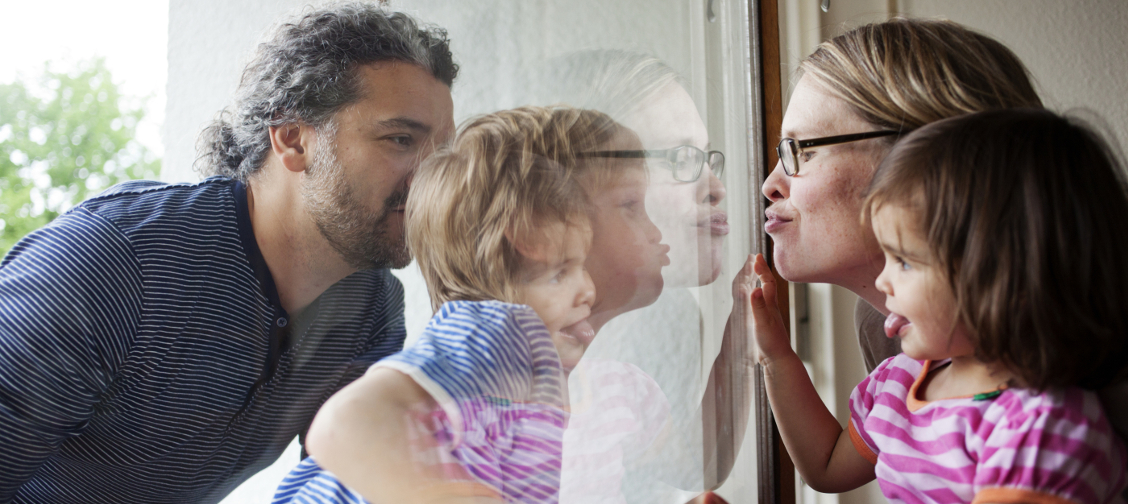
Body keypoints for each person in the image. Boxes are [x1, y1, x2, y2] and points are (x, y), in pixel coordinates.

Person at [0, 4, 455, 503]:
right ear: (293, 140)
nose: (433, 177)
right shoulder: (113, 262)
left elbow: (348, 487)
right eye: (400, 139)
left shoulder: (371, 307)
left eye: (442, 152)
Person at [760, 18, 1128, 442]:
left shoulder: (1092, 377)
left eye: (798, 151)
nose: (770, 184)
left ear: (919, 156)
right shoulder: (887, 327)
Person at [750, 108, 1128, 503]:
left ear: (1008, 275)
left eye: (905, 261)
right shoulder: (901, 381)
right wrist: (776, 355)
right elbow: (826, 465)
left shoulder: (1041, 426)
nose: (883, 280)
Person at [271, 106, 628, 504]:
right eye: (559, 273)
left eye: (581, 265)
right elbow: (346, 425)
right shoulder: (498, 330)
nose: (588, 290)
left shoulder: (537, 375)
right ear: (493, 272)